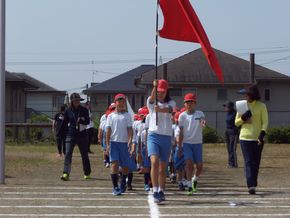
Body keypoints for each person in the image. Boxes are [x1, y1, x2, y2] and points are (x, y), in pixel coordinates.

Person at [235, 84, 268, 195]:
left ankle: (254, 182)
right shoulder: (241, 105)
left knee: (256, 162)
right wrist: (243, 118)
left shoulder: (261, 106)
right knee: (248, 161)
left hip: (258, 139)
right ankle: (251, 185)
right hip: (244, 138)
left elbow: (265, 122)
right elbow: (236, 122)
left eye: (247, 94)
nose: (245, 96)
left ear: (252, 94)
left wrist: (261, 135)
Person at [147, 79, 176, 203]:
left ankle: (161, 190)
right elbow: (152, 99)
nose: (160, 94)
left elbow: (170, 110)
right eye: (158, 92)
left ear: (166, 92)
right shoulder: (151, 102)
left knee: (163, 167)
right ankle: (155, 190)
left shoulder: (172, 102)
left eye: (163, 92)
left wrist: (161, 110)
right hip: (153, 135)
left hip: (166, 136)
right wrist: (154, 87)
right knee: (154, 162)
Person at [106, 93, 133, 196]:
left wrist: (130, 141)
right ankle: (115, 187)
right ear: (115, 102)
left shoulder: (127, 116)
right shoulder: (111, 116)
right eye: (119, 101)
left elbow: (130, 130)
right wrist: (108, 144)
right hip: (114, 143)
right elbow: (108, 131)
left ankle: (123, 182)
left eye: (123, 102)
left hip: (124, 143)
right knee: (114, 164)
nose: (121, 103)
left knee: (125, 167)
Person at [178, 93, 206, 195]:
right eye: (187, 102)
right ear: (184, 104)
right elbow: (180, 132)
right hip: (187, 143)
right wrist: (180, 146)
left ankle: (195, 179)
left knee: (199, 166)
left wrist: (203, 123)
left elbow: (203, 121)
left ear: (195, 103)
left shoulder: (200, 114)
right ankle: (189, 186)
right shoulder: (182, 116)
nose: (189, 104)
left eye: (191, 102)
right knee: (189, 164)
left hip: (198, 143)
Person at [60, 93, 92, 181]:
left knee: (84, 155)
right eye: (75, 101)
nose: (77, 102)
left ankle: (87, 173)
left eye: (78, 100)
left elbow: (88, 122)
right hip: (71, 135)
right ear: (72, 101)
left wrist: (81, 119)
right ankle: (66, 173)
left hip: (82, 135)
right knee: (68, 154)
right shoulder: (68, 111)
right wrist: (60, 134)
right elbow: (64, 123)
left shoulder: (84, 110)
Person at [98, 103, 116, 168]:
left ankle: (111, 161)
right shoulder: (104, 119)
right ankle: (106, 161)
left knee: (112, 150)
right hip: (105, 135)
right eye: (112, 108)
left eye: (114, 108)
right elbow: (101, 130)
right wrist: (99, 137)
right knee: (105, 149)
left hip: (114, 136)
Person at [223, 101, 239, 168]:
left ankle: (234, 164)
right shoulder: (228, 113)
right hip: (228, 131)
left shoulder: (235, 113)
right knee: (229, 148)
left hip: (233, 132)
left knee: (232, 148)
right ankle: (230, 163)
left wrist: (236, 129)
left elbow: (239, 122)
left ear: (230, 107)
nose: (225, 108)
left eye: (226, 106)